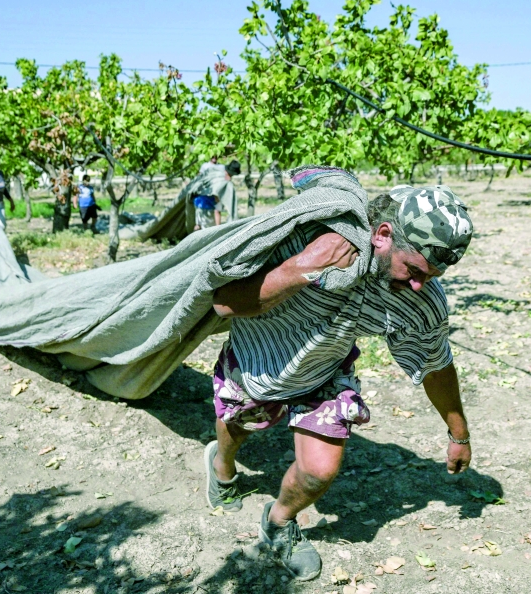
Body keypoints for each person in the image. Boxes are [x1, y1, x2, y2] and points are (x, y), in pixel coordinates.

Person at [204, 185, 473, 581]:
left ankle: (279, 522)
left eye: (430, 276)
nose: (419, 284)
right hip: (258, 360)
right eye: (413, 270)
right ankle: (221, 468)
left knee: (320, 470)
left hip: (326, 370)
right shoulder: (313, 237)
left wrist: (459, 433)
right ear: (382, 235)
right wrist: (300, 268)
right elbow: (225, 301)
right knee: (237, 429)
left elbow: (435, 364)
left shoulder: (420, 299)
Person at [193, 160, 240, 230]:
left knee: (199, 226)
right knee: (206, 231)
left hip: (198, 202)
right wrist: (218, 228)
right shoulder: (223, 183)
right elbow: (217, 209)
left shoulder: (216, 171)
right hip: (205, 206)